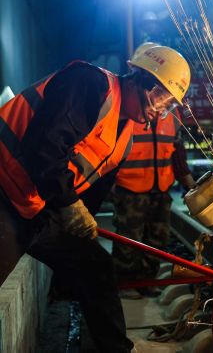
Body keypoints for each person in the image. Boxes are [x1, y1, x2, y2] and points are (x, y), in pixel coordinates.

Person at [0, 45, 190, 352]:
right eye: (159, 97)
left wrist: (79, 220)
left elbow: (91, 192)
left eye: (168, 105)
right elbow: (45, 148)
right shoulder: (90, 85)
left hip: (34, 206)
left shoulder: (125, 134)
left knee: (95, 265)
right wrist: (69, 205)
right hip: (5, 192)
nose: (159, 110)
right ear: (139, 78)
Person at [111, 43, 196, 298]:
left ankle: (147, 281)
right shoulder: (126, 108)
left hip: (161, 186)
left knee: (157, 237)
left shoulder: (171, 112)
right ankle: (126, 283)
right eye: (161, 94)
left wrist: (188, 181)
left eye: (168, 98)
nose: (163, 103)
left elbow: (176, 148)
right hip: (130, 187)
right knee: (129, 237)